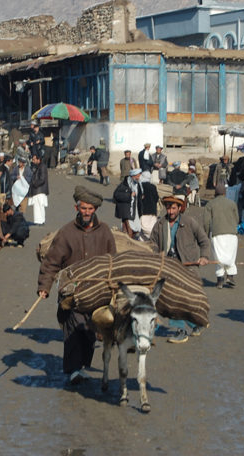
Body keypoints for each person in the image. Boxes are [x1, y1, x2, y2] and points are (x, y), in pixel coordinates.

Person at [38, 186, 116, 385]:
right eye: (83, 208)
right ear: (77, 208)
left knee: (90, 332)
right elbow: (52, 261)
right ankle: (73, 369)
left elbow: (113, 262)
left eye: (90, 209)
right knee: (74, 327)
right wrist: (44, 286)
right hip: (71, 292)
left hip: (97, 292)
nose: (87, 212)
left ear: (95, 210)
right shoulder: (66, 233)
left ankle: (81, 367)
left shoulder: (105, 232)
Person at [150, 195, 211, 343]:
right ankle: (194, 324)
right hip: (168, 268)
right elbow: (152, 243)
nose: (170, 211)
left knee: (177, 300)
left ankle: (181, 331)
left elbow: (204, 241)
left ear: (179, 208)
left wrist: (204, 257)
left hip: (187, 268)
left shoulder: (189, 222)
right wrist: (157, 255)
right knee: (172, 300)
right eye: (168, 208)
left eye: (173, 208)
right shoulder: (160, 224)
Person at [203, 183, 240, 289]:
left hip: (217, 234)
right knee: (230, 256)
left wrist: (207, 234)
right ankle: (230, 276)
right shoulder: (232, 203)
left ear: (215, 193)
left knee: (219, 257)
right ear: (225, 193)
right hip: (232, 234)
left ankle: (220, 280)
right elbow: (237, 219)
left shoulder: (210, 204)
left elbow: (206, 221)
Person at [113, 168, 143, 238]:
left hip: (135, 213)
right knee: (129, 230)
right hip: (127, 212)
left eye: (139, 176)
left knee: (136, 229)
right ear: (133, 176)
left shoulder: (138, 185)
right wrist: (129, 195)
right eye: (137, 176)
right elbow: (116, 195)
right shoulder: (124, 185)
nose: (138, 178)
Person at [27, 153, 49, 225]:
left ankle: (40, 221)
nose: (33, 161)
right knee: (38, 206)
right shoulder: (38, 166)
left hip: (39, 190)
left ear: (38, 159)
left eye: (34, 159)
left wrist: (34, 183)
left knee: (39, 206)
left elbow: (42, 179)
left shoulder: (42, 167)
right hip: (38, 190)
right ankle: (39, 221)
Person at [138, 171, 159, 240]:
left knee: (144, 229)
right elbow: (156, 198)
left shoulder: (140, 186)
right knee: (151, 227)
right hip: (152, 211)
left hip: (143, 211)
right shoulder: (153, 187)